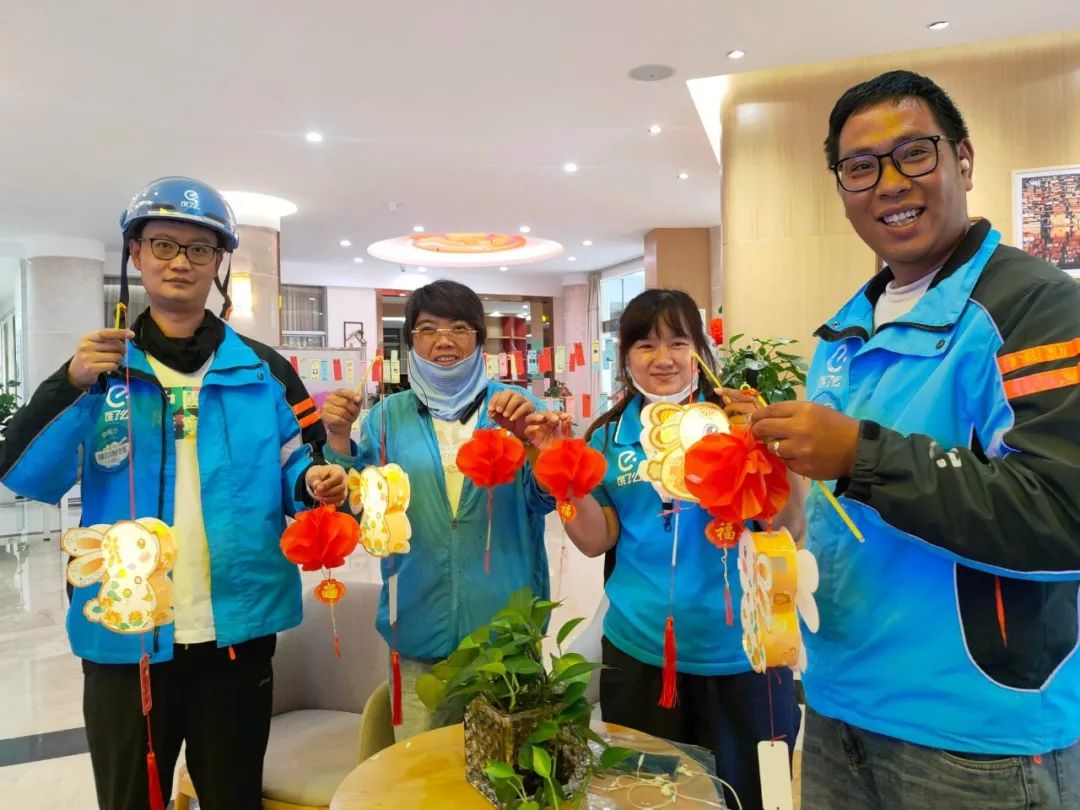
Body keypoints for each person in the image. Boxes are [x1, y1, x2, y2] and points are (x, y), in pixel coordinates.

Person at [749, 71, 1080, 809]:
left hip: (977, 737)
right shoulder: (841, 336)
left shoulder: (1036, 308)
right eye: (861, 167)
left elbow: (1064, 513)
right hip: (836, 706)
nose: (891, 184)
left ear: (963, 159)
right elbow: (838, 519)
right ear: (842, 191)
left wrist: (859, 455)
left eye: (914, 154)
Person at [0, 176, 347, 810]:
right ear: (135, 254)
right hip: (125, 628)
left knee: (233, 797)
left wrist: (316, 482)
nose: (180, 261)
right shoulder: (100, 373)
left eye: (199, 248)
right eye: (163, 244)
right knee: (132, 799)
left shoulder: (264, 370)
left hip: (237, 629)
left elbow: (300, 465)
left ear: (219, 264)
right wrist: (68, 384)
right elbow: (24, 472)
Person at [540, 288, 803, 810]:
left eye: (678, 342)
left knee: (751, 795)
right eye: (645, 345)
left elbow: (790, 530)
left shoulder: (738, 425)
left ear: (700, 350)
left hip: (743, 656)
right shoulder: (608, 437)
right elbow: (595, 541)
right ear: (625, 357)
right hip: (640, 653)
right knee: (650, 797)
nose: (663, 358)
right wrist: (562, 477)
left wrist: (777, 454)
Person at [321, 279, 567, 740]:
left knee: (505, 768)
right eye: (428, 329)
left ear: (480, 339)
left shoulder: (516, 408)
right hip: (418, 628)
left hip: (505, 634)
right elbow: (359, 511)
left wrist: (536, 444)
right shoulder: (387, 416)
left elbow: (546, 498)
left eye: (459, 328)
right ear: (410, 341)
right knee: (420, 768)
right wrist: (337, 439)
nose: (444, 340)